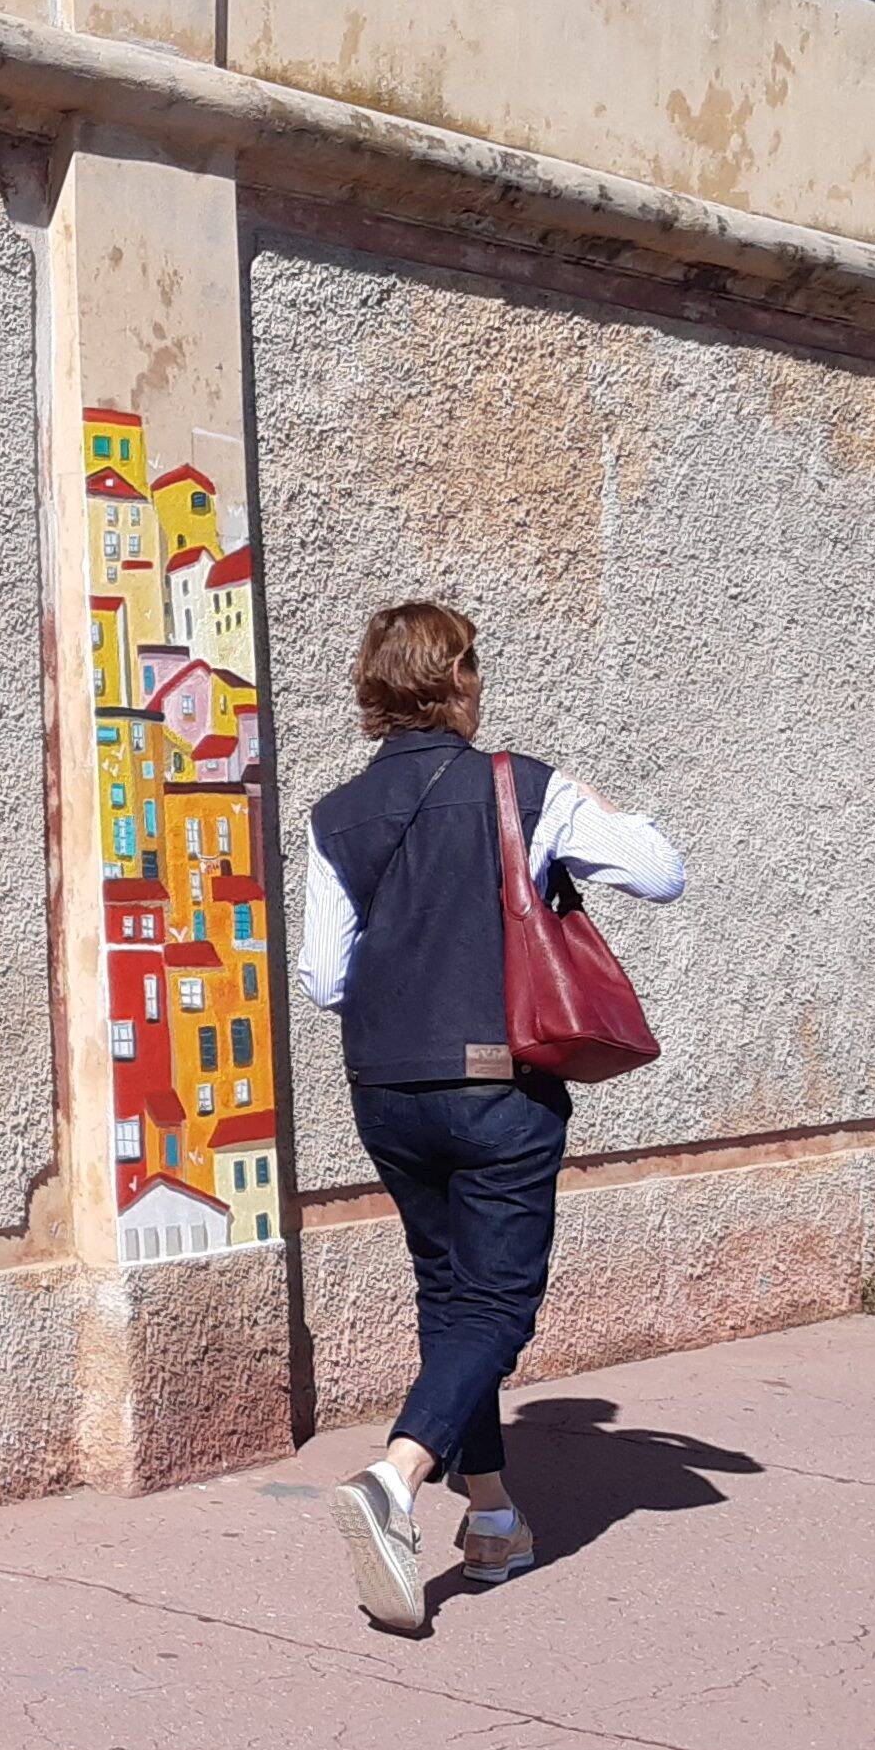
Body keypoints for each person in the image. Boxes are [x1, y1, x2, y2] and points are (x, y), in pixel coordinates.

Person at [297, 601, 683, 1634]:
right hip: (498, 1087)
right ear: (458, 678)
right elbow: (659, 873)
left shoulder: (335, 812)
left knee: (447, 1293)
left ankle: (494, 1513)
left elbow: (324, 976)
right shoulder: (524, 786)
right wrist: (595, 802)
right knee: (499, 1305)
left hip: (385, 1087)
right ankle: (395, 1476)